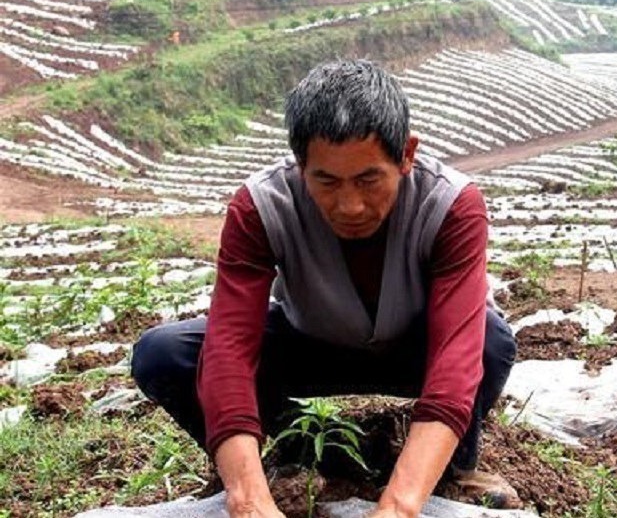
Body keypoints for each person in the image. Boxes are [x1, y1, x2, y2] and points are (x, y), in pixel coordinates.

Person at [130, 59, 522, 517]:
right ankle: (287, 450)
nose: (350, 205)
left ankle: (454, 468)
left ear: (406, 155)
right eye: (327, 181)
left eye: (369, 179)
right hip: (307, 344)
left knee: (488, 342)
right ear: (300, 167)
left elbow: (456, 360)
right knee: (166, 353)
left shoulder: (451, 205)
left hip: (415, 349)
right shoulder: (261, 207)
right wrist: (247, 499)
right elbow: (230, 348)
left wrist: (397, 507)